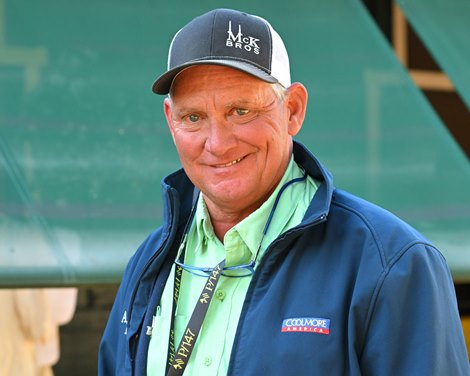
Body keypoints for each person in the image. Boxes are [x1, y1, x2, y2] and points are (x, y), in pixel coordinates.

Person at [99, 8, 469, 375]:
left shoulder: (392, 264)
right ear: (170, 120)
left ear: (293, 110)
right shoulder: (151, 262)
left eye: (240, 111)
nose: (217, 143)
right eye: (193, 117)